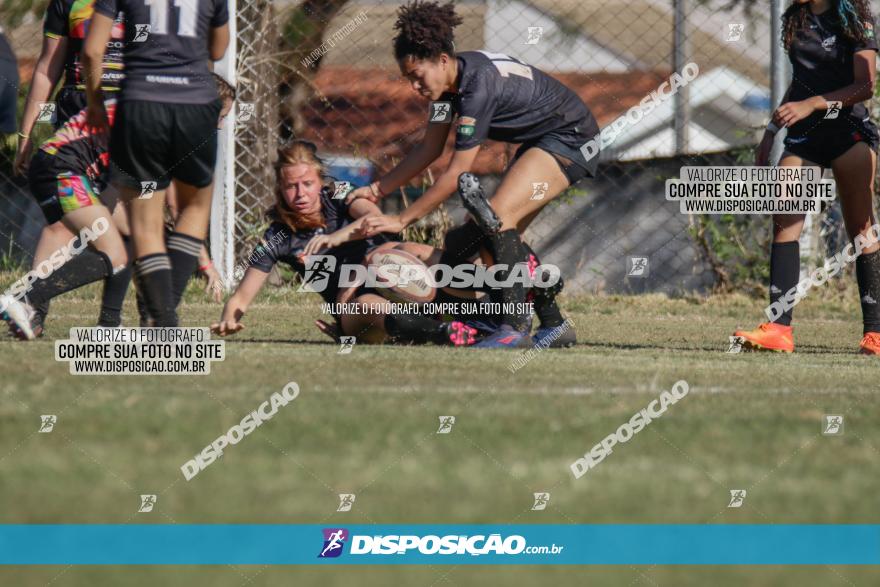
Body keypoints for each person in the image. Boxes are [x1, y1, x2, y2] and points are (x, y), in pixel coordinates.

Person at [347, 0, 597, 348]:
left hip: (571, 138)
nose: (415, 87)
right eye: (408, 79)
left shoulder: (476, 87)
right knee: (467, 242)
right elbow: (429, 149)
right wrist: (376, 188)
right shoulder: (447, 92)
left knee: (497, 217)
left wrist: (401, 219)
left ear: (444, 60)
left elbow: (454, 174)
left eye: (417, 76)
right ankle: (553, 323)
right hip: (544, 140)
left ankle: (512, 329)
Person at [0, 74, 235, 339]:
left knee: (109, 235)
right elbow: (175, 207)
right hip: (66, 170)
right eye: (220, 115)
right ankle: (26, 298)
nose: (220, 125)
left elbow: (124, 191)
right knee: (117, 254)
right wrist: (205, 264)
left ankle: (85, 322)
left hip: (55, 163)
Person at [212, 140, 485, 346]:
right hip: (354, 311)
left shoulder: (339, 194)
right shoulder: (277, 235)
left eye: (307, 183)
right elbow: (242, 296)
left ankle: (500, 288)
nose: (300, 194)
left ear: (320, 181)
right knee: (366, 304)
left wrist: (352, 259)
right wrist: (229, 319)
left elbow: (374, 219)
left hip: (398, 278)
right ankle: (442, 333)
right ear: (280, 189)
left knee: (401, 251)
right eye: (290, 186)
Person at [734, 0, 880, 354]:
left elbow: (865, 87)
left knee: (861, 230)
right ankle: (779, 329)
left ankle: (875, 334)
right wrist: (771, 130)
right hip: (805, 138)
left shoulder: (857, 18)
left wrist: (814, 104)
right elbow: (800, 84)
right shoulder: (796, 18)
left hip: (849, 133)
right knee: (784, 219)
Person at [83, 0, 229, 326]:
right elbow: (218, 50)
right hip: (196, 104)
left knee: (145, 226)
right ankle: (160, 315)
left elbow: (93, 51)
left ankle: (163, 321)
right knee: (194, 210)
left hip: (141, 102)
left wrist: (95, 103)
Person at [10, 0, 129, 331]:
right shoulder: (68, 2)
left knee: (114, 226)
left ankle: (105, 322)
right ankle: (32, 310)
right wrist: (26, 133)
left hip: (130, 115)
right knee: (72, 225)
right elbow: (48, 67)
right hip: (80, 119)